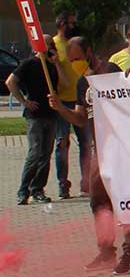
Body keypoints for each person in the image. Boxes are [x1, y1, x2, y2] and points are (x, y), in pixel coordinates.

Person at [49, 37, 130, 274]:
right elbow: (81, 117)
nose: (75, 63)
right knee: (98, 201)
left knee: (125, 200)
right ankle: (106, 250)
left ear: (89, 51)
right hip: (99, 149)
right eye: (71, 61)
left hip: (122, 147)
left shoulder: (111, 71)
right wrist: (60, 108)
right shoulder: (82, 83)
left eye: (77, 58)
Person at [8, 46, 59, 205]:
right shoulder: (29, 64)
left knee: (46, 153)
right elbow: (11, 82)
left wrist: (57, 64)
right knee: (35, 152)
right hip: (35, 116)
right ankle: (23, 191)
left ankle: (38, 189)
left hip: (50, 114)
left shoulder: (52, 66)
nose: (51, 48)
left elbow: (61, 87)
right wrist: (24, 102)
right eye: (48, 45)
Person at [50, 13, 81, 199]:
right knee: (62, 144)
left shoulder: (76, 43)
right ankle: (63, 184)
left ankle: (87, 183)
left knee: (86, 143)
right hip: (62, 101)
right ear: (63, 25)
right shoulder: (52, 45)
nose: (75, 26)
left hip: (81, 99)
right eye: (72, 24)